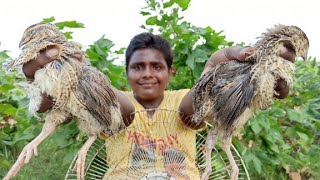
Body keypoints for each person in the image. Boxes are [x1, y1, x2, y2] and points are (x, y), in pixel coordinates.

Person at [20, 32, 290, 179]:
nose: (147, 74)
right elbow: (121, 112)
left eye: (156, 66)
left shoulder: (181, 101)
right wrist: (80, 79)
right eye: (138, 67)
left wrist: (216, 62)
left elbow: (194, 109)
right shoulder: (112, 104)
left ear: (170, 72)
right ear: (126, 73)